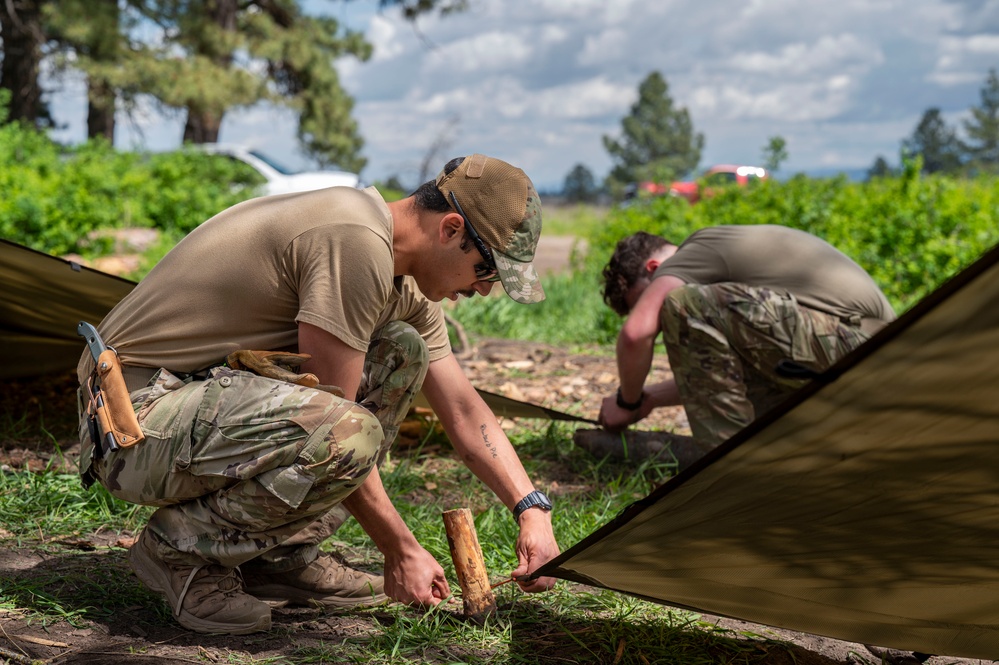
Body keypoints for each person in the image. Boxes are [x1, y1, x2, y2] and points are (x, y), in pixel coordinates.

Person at [76, 154, 560, 635]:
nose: (483, 289)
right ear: (451, 229)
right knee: (347, 434)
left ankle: (278, 557)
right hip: (133, 428)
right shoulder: (354, 243)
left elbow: (461, 407)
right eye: (488, 269)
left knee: (401, 351)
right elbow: (338, 429)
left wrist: (531, 510)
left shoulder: (402, 274)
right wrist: (401, 549)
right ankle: (179, 551)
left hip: (193, 409)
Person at [597, 225, 896, 448]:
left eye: (644, 303)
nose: (655, 321)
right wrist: (648, 400)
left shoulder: (690, 255)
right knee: (700, 309)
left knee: (683, 304)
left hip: (858, 347)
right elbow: (716, 369)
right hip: (868, 359)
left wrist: (626, 402)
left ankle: (727, 467)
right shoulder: (723, 271)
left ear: (654, 269)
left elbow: (636, 334)